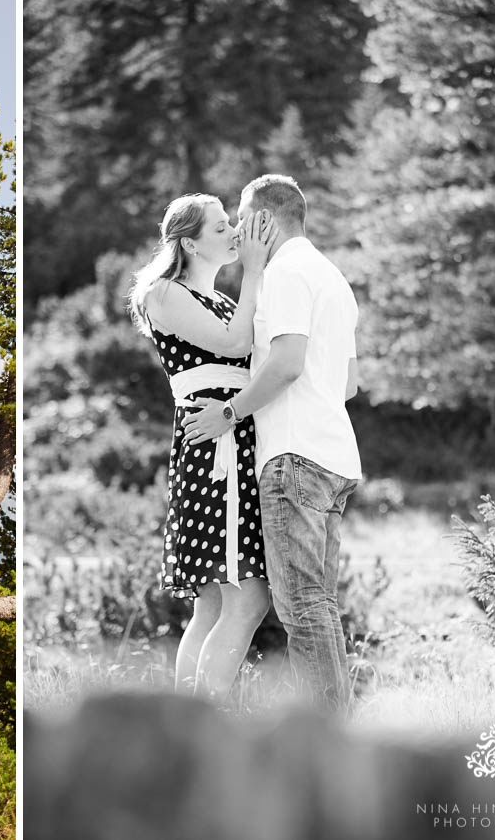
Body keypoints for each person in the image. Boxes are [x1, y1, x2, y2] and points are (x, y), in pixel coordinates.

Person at [182, 174, 361, 713]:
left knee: (302, 606)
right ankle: (336, 725)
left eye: (241, 216)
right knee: (319, 603)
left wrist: (229, 413)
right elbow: (349, 383)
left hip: (293, 457)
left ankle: (328, 734)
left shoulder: (284, 273)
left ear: (264, 218)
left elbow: (286, 363)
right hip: (335, 456)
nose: (238, 228)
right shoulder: (333, 277)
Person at [128, 193, 279, 698]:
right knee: (249, 599)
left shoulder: (219, 300)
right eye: (220, 228)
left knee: (213, 604)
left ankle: (185, 722)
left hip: (228, 438)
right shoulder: (166, 294)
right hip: (217, 450)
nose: (234, 233)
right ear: (189, 242)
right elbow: (237, 346)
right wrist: (254, 271)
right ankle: (207, 723)